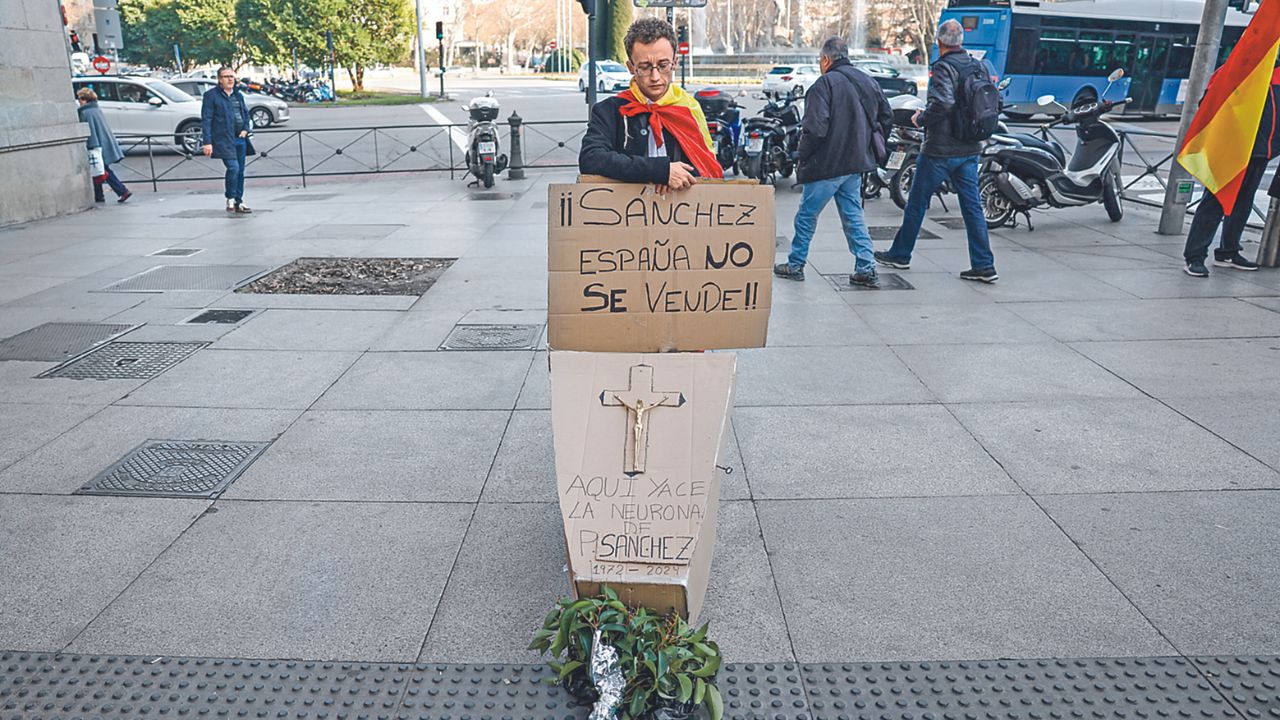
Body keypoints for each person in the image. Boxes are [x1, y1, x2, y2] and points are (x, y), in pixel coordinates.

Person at [876, 19, 998, 283]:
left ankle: (900, 254)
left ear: (940, 42)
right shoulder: (977, 65)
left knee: (917, 203)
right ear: (961, 41)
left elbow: (942, 103)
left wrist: (920, 119)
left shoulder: (944, 67)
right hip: (969, 147)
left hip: (940, 150)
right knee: (972, 207)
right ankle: (984, 264)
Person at [774, 36, 892, 287]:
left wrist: (802, 155)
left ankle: (795, 264)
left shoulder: (823, 85)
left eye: (820, 59)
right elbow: (886, 117)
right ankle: (866, 267)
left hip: (827, 164)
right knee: (853, 215)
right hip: (855, 164)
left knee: (806, 215)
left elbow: (814, 129)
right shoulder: (868, 81)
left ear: (826, 59)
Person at [578, 17, 722, 193]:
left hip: (683, 214)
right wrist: (659, 171)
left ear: (675, 63)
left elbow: (707, 167)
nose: (655, 77)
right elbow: (590, 159)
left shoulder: (688, 108)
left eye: (663, 65)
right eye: (645, 67)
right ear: (631, 67)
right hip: (626, 214)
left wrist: (677, 177)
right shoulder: (609, 110)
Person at [1182, 64, 1280, 277]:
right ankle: (1195, 256)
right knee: (1215, 201)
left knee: (1243, 202)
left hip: (1262, 152)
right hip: (1233, 148)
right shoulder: (1241, 64)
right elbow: (1208, 103)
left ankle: (1228, 252)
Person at [200, 66, 253, 214]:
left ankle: (238, 201)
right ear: (219, 79)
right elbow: (207, 119)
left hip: (240, 139)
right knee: (233, 168)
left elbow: (245, 114)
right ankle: (230, 197)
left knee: (241, 171)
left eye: (232, 76)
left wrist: (245, 129)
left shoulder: (238, 95)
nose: (230, 79)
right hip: (223, 139)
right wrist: (207, 142)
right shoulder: (211, 95)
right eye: (226, 76)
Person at [76, 87, 132, 204]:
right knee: (98, 170)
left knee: (102, 170)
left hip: (95, 145)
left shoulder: (85, 112)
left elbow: (88, 131)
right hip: (103, 142)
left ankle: (122, 191)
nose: (79, 101)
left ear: (85, 99)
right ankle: (99, 195)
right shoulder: (96, 110)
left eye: (80, 98)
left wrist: (90, 146)